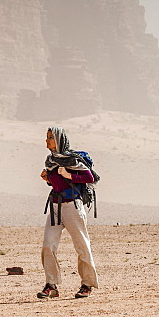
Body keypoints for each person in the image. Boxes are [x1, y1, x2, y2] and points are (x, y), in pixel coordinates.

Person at [37, 126, 99, 299]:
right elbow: (56, 183)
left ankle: (87, 284)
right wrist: (48, 179)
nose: (47, 140)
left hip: (73, 206)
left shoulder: (72, 159)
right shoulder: (50, 160)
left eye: (50, 137)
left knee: (82, 245)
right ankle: (51, 285)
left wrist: (70, 175)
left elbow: (90, 178)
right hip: (56, 206)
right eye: (47, 136)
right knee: (48, 245)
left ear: (59, 139)